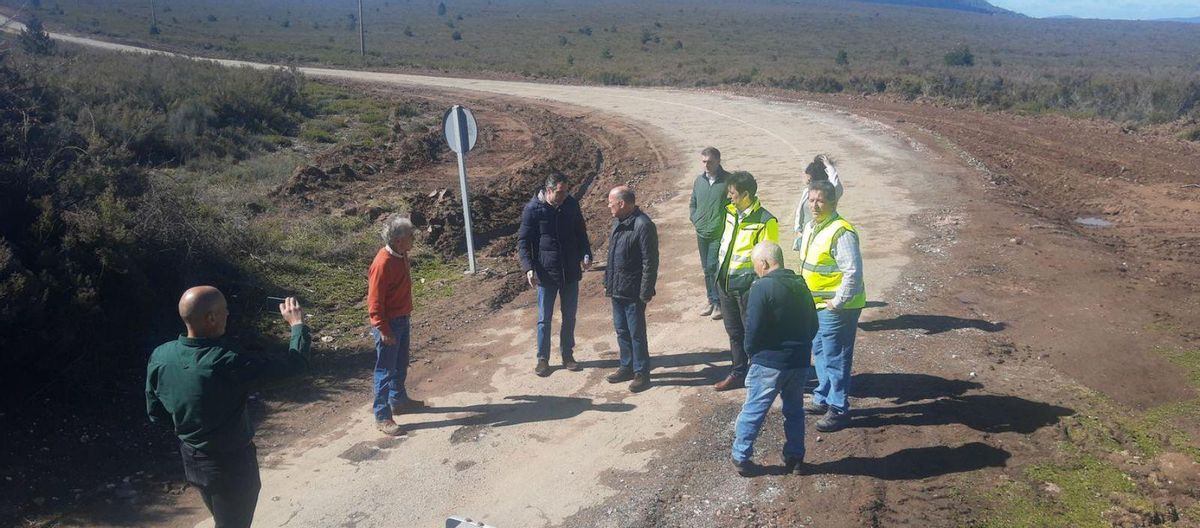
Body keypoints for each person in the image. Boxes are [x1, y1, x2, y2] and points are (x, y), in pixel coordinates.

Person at [146, 287, 310, 528]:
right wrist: (297, 326)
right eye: (225, 310)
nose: (228, 314)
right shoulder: (225, 360)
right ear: (211, 318)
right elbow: (295, 366)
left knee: (224, 518)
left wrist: (192, 424)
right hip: (231, 464)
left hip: (191, 457)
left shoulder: (161, 355)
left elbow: (156, 413)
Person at [731, 241, 818, 477]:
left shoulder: (762, 287)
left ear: (764, 263)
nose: (755, 270)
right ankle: (796, 457)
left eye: (755, 265)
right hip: (799, 362)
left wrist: (753, 354)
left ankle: (741, 456)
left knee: (754, 410)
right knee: (794, 410)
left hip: (769, 362)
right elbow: (813, 325)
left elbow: (753, 329)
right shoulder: (801, 284)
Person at [798, 180, 866, 433]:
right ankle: (823, 397)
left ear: (832, 203)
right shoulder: (813, 226)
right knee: (821, 351)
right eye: (811, 200)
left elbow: (853, 272)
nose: (814, 205)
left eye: (820, 201)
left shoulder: (841, 232)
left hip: (837, 308)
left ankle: (838, 408)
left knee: (836, 355)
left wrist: (837, 303)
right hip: (815, 304)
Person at [517, 172, 593, 377]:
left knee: (569, 316)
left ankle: (567, 355)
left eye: (566, 191)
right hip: (546, 273)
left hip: (570, 271)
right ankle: (543, 359)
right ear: (549, 190)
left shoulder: (570, 205)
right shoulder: (533, 210)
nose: (564, 195)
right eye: (560, 192)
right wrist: (529, 268)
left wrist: (586, 253)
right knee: (544, 319)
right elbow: (523, 243)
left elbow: (581, 233)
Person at [714, 171, 779, 391]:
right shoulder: (729, 212)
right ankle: (738, 372)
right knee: (734, 332)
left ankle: (760, 376)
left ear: (746, 194)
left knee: (754, 333)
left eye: (732, 193)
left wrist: (758, 287)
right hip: (725, 283)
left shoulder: (765, 221)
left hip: (748, 287)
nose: (729, 197)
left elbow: (769, 260)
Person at [368, 214, 424, 437]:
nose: (414, 240)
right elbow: (374, 302)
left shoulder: (402, 254)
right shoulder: (382, 264)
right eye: (411, 236)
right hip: (389, 324)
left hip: (402, 319)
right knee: (385, 371)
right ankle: (382, 416)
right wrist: (383, 329)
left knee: (401, 364)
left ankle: (399, 400)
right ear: (399, 240)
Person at [602, 186, 659, 392]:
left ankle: (641, 372)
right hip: (617, 288)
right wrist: (608, 279)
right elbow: (612, 256)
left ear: (622, 203)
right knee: (622, 330)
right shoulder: (617, 222)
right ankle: (626, 366)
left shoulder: (643, 225)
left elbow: (650, 261)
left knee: (636, 333)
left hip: (633, 291)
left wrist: (645, 291)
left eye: (611, 202)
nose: (608, 206)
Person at [689, 146, 731, 320]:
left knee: (714, 267)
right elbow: (693, 202)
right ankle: (711, 300)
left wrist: (723, 224)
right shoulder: (699, 181)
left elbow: (733, 205)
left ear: (718, 161)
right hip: (702, 232)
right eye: (704, 161)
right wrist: (695, 218)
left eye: (710, 162)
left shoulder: (728, 181)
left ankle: (719, 304)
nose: (706, 165)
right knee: (706, 268)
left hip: (718, 233)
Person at [792, 154, 843, 251]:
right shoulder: (807, 191)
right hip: (806, 234)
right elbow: (799, 211)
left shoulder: (830, 192)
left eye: (809, 179)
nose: (807, 181)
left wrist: (829, 166)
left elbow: (836, 184)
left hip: (824, 234)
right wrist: (797, 230)